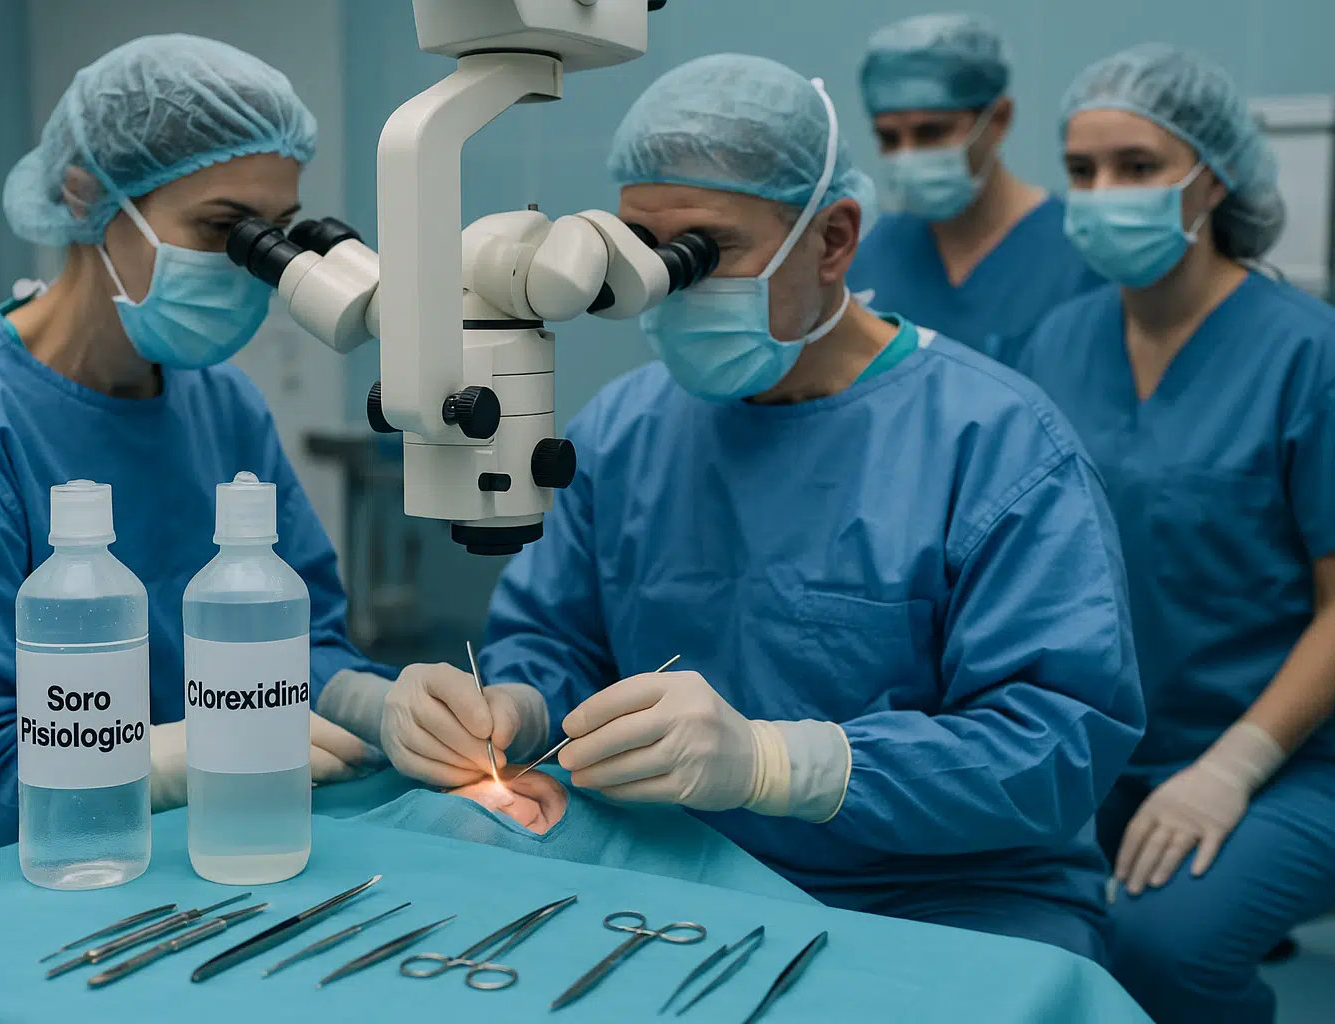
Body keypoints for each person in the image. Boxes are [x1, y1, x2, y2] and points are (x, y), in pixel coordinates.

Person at [345, 54, 1146, 962]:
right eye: (641, 250)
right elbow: (556, 641)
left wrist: (780, 765)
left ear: (833, 239)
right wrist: (515, 708)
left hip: (945, 898)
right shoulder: (625, 429)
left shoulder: (997, 443)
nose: (664, 285)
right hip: (681, 871)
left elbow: (1058, 746)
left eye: (706, 251)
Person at [0, 35, 390, 909]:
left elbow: (289, 649)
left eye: (275, 233)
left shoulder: (222, 405)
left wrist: (377, 704)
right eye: (222, 229)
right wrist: (154, 760)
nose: (252, 265)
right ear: (87, 196)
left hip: (157, 860)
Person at [1016, 44, 1335, 1024]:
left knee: (1164, 946)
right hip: (1106, 743)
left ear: (1215, 176)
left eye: (1139, 166)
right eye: (1082, 170)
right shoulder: (1056, 343)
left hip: (1290, 754)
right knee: (1011, 927)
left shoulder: (1308, 354)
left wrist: (1232, 768)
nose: (1104, 192)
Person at [848, 13, 1101, 364]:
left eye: (931, 132)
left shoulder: (1080, 255)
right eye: (889, 138)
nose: (908, 154)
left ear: (999, 119)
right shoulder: (869, 257)